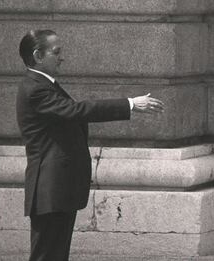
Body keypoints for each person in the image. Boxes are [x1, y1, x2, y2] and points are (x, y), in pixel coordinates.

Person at [16, 29, 164, 261]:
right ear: (38, 55)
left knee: (55, 254)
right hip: (50, 188)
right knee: (46, 255)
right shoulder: (35, 88)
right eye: (56, 52)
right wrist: (130, 104)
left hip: (58, 188)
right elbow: (76, 111)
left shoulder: (43, 85)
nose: (62, 57)